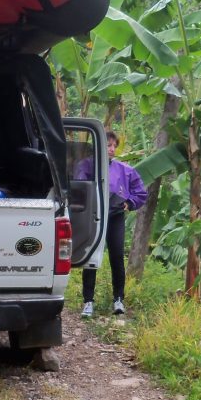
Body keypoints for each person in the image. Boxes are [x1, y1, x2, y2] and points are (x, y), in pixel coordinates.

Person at [77, 131, 148, 317]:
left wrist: (128, 203)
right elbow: (78, 187)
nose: (112, 149)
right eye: (108, 145)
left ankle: (118, 300)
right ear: (99, 145)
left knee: (116, 257)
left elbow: (141, 193)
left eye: (114, 146)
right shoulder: (86, 165)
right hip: (94, 217)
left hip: (115, 217)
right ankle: (88, 302)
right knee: (91, 257)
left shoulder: (125, 170)